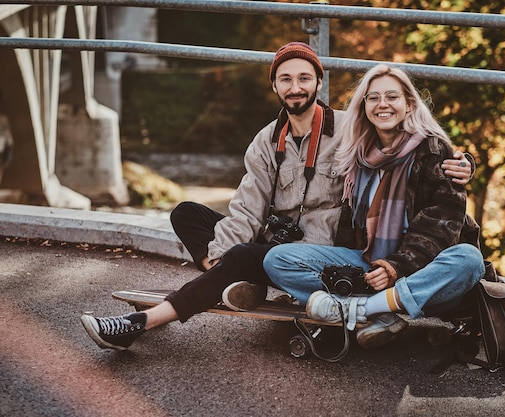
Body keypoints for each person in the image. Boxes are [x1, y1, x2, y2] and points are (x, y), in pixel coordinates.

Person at [80, 42, 473, 351]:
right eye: (286, 79)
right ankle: (229, 277)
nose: (295, 87)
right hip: (288, 249)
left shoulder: (353, 133)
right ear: (274, 86)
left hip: (331, 249)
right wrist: (219, 258)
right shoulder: (272, 141)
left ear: (319, 83)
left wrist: (465, 161)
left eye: (305, 78)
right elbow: (248, 206)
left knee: (466, 259)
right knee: (188, 214)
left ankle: (149, 319)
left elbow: (423, 164)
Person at [263, 64, 486, 350]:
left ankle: (364, 309)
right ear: (364, 105)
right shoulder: (358, 153)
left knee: (468, 259)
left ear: (408, 105)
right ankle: (377, 309)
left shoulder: (434, 150)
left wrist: (395, 267)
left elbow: (442, 225)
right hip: (368, 266)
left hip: (423, 273)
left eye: (392, 97)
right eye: (374, 97)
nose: (383, 104)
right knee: (277, 259)